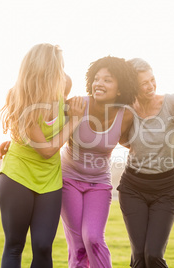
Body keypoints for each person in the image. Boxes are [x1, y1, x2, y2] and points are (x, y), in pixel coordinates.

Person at [0, 43, 86, 268]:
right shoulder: (18, 97)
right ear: (45, 69)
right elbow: (46, 150)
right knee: (15, 245)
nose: (64, 72)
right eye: (60, 67)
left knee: (44, 246)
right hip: (18, 177)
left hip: (50, 180)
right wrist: (75, 120)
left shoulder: (64, 85)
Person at [60, 56, 138, 268]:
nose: (99, 83)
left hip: (99, 183)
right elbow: (45, 125)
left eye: (107, 80)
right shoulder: (76, 104)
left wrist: (168, 151)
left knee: (93, 238)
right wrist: (12, 141)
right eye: (96, 78)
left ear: (120, 89)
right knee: (78, 245)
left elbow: (132, 141)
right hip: (68, 180)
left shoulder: (127, 115)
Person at [117, 58, 174, 268]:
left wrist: (168, 149)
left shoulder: (172, 102)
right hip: (133, 188)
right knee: (139, 256)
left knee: (153, 254)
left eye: (152, 79)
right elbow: (121, 138)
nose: (150, 86)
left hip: (166, 189)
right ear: (132, 87)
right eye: (143, 83)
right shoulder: (127, 110)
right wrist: (150, 150)